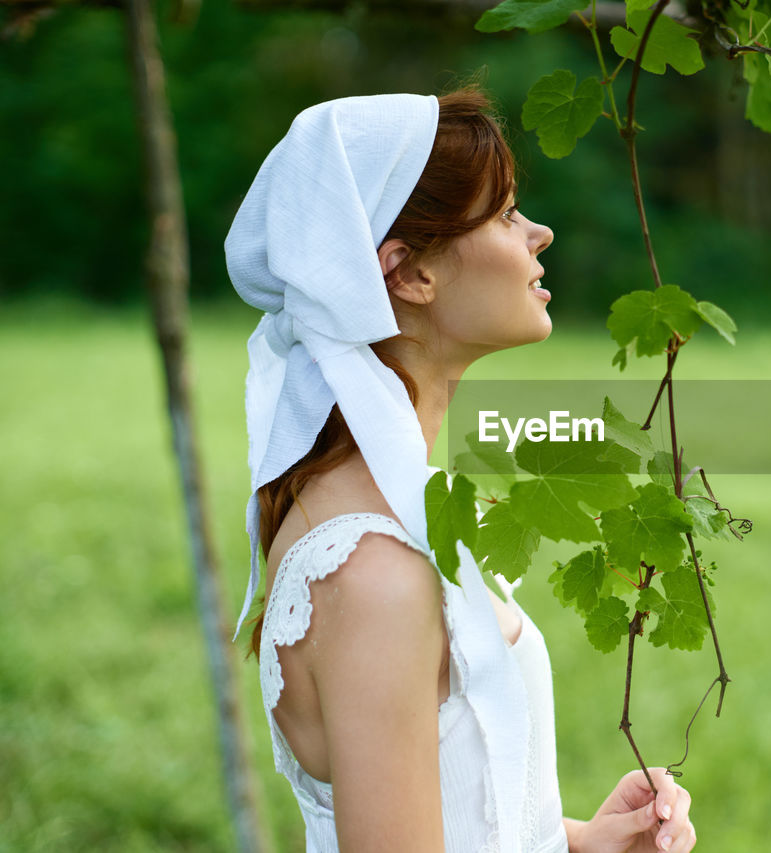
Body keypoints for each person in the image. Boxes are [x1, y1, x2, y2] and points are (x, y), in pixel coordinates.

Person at [224, 89, 697, 853]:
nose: (540, 233)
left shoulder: (404, 508)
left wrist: (578, 840)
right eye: (507, 213)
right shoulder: (374, 570)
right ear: (409, 275)